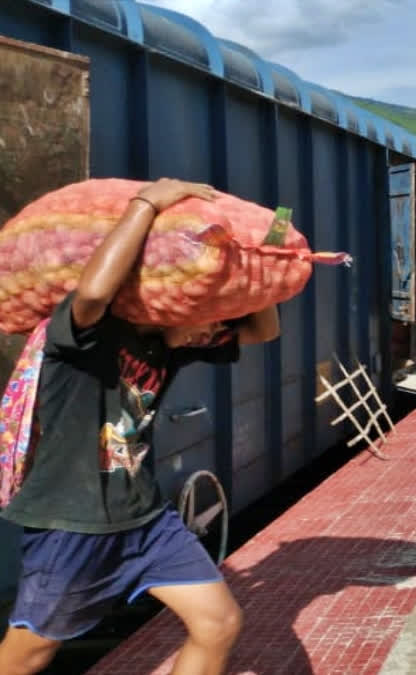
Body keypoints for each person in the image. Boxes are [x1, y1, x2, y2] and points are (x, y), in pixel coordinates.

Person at [0, 178, 282, 675]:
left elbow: (263, 328)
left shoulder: (170, 346)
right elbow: (91, 292)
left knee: (218, 624)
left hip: (146, 519)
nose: (211, 328)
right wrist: (147, 203)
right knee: (27, 658)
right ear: (160, 304)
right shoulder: (85, 341)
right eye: (202, 315)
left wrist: (261, 257)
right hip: (73, 522)